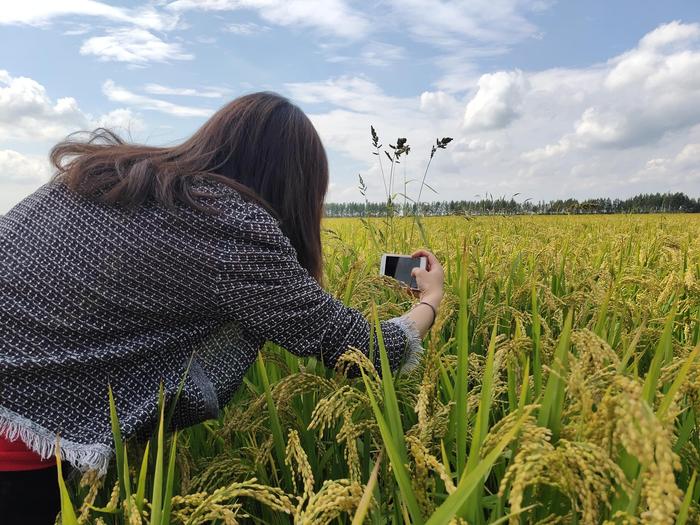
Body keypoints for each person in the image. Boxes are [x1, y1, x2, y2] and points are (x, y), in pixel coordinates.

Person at [0, 92, 444, 523]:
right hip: (18, 441)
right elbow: (366, 350)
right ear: (298, 184)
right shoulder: (230, 226)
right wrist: (431, 300)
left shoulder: (101, 172)